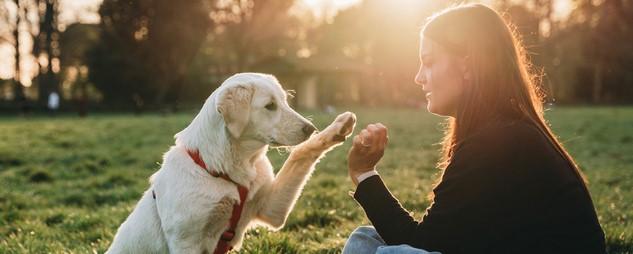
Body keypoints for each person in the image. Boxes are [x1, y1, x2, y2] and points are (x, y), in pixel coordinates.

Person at [342, 4, 606, 254]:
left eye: (430, 61)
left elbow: (422, 245)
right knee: (365, 240)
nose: (419, 76)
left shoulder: (498, 142)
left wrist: (364, 173)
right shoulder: (503, 130)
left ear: (467, 64)